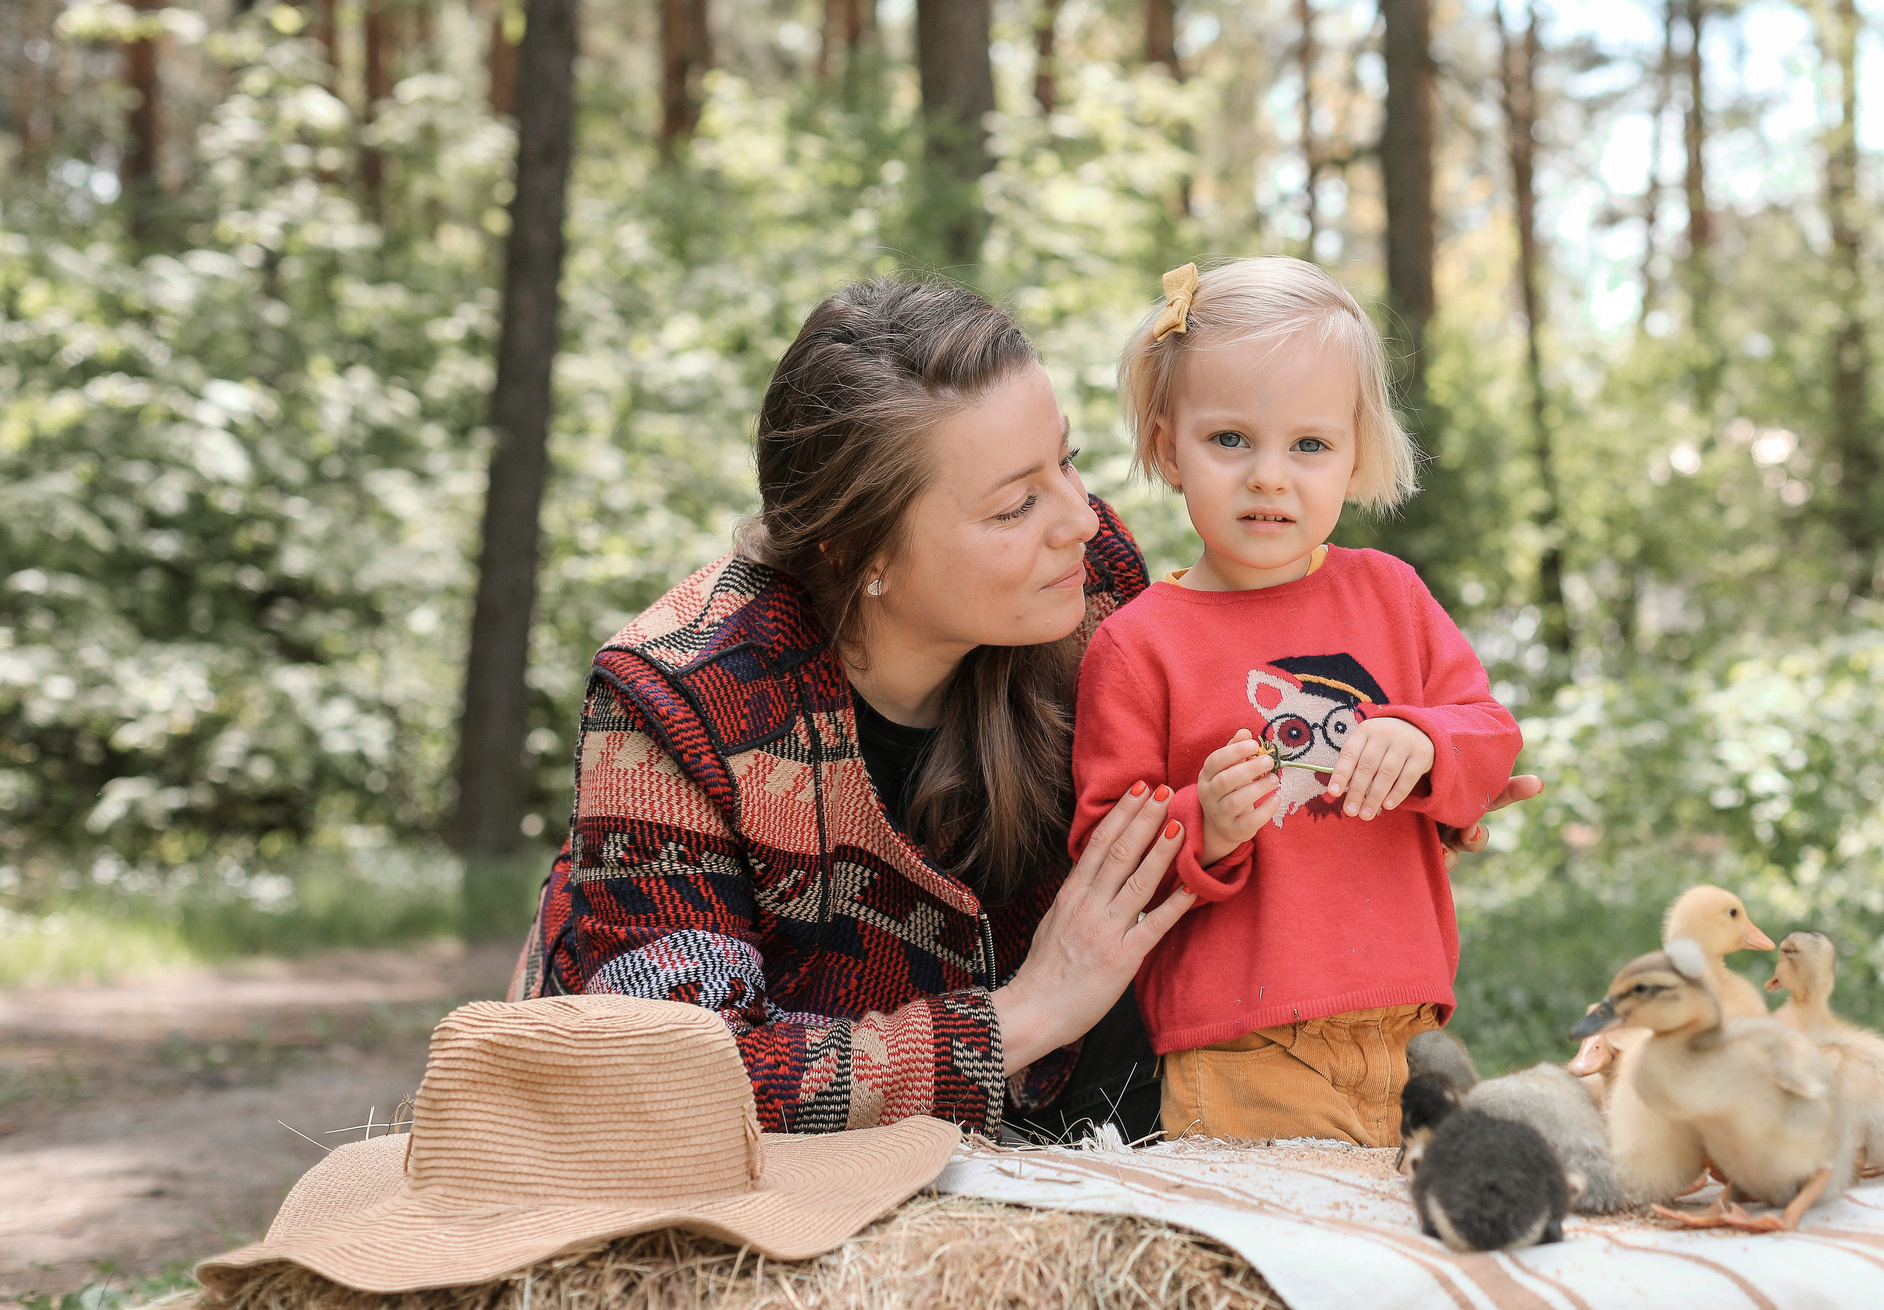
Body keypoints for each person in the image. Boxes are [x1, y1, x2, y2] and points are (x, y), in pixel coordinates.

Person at [514, 276, 1540, 1141]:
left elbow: (1211, 780)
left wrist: (1414, 776)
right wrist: (1020, 1015)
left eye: (1070, 460)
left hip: (1052, 1114)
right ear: (858, 556)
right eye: (1014, 505)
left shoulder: (1097, 577)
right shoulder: (678, 702)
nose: (1080, 519)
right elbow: (674, 1091)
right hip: (817, 1127)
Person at [1068, 259, 1524, 1146]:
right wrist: (1205, 820)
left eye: (1308, 445)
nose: (1270, 477)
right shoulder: (1138, 644)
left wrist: (1425, 741)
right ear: (1168, 447)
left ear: (1356, 454)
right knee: (1282, 1256)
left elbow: (1491, 734)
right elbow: (1101, 854)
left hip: (1400, 1032)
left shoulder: (1389, 595)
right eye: (1230, 440)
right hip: (1241, 1043)